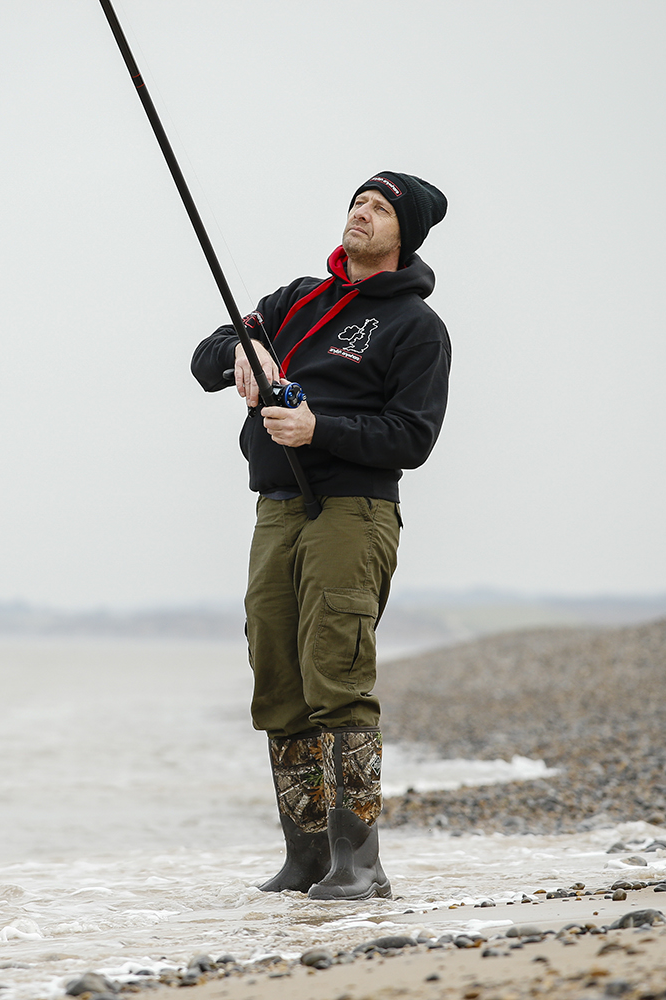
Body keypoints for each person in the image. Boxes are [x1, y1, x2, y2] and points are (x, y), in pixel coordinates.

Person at [190, 172, 450, 900]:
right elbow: (203, 357)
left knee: (337, 680)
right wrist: (243, 349)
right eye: (356, 203)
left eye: (378, 208)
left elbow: (413, 436)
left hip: (352, 510)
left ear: (405, 234)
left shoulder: (415, 327)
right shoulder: (296, 301)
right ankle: (304, 860)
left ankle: (360, 865)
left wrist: (318, 427)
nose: (360, 214)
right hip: (275, 508)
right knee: (278, 680)